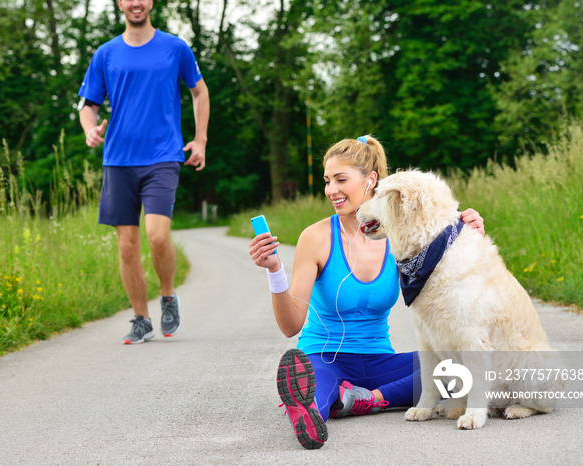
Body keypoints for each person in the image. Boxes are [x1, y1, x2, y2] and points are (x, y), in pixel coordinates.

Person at [249, 136, 484, 449]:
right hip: (324, 357)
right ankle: (309, 409)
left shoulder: (400, 237)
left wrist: (468, 234)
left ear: (371, 180)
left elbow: (450, 279)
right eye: (327, 181)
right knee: (317, 384)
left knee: (454, 368)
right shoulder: (316, 238)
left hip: (379, 363)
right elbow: (291, 325)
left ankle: (365, 400)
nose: (331, 190)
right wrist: (274, 271)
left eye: (341, 180)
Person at [78, 0, 210, 344]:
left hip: (162, 155)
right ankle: (141, 318)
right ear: (120, 3)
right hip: (118, 159)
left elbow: (199, 91)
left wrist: (200, 139)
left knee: (157, 235)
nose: (136, 2)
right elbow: (87, 105)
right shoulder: (105, 54)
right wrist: (89, 129)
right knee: (126, 245)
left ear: (151, 2)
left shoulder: (175, 47)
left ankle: (168, 295)